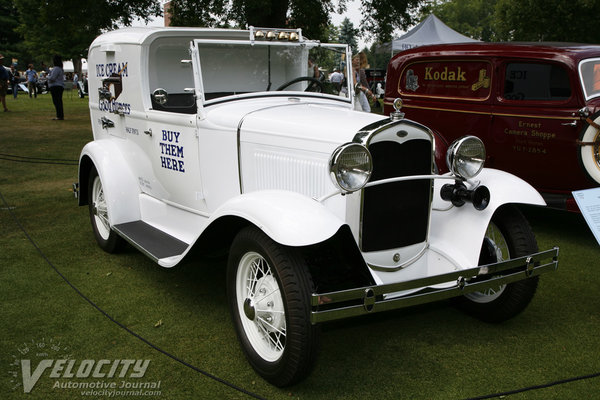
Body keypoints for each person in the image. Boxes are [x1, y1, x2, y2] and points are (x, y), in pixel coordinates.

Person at [48, 55, 65, 120]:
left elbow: (52, 78)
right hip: (60, 86)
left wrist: (47, 77)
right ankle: (60, 115)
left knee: (56, 101)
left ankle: (59, 115)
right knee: (59, 101)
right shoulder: (60, 68)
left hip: (55, 86)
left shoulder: (56, 68)